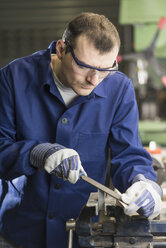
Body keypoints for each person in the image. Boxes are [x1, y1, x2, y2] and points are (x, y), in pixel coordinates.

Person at [0, 12, 162, 248]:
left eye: (107, 68)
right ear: (62, 49)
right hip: (19, 232)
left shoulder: (119, 89)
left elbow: (128, 155)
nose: (94, 80)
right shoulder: (13, 78)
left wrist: (143, 183)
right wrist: (37, 152)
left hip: (86, 234)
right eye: (85, 66)